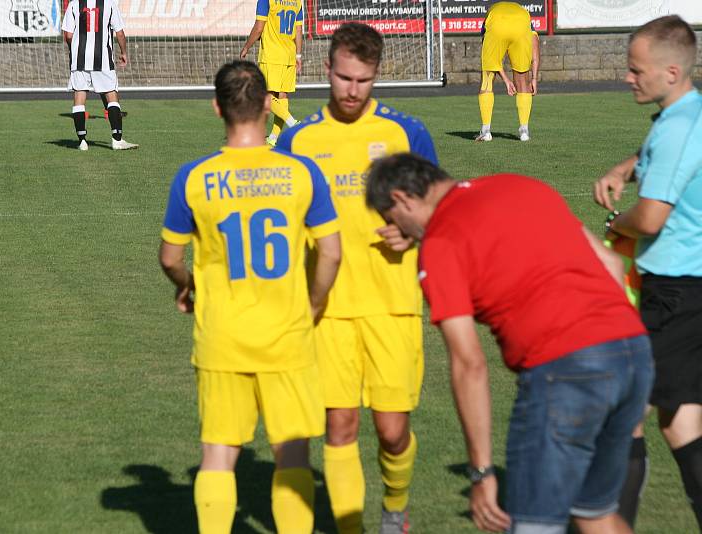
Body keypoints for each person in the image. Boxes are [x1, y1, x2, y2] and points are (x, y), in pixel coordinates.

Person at [367, 153, 652, 534]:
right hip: (632, 352)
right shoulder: (520, 185)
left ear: (403, 199)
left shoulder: (440, 243)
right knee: (594, 514)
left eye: (391, 219)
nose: (397, 230)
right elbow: (612, 265)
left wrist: (482, 471)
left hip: (563, 369)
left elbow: (469, 364)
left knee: (535, 525)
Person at [159, 60, 341, 534]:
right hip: (287, 335)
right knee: (293, 454)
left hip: (222, 336)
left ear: (217, 107)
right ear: (267, 104)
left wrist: (188, 286)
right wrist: (315, 303)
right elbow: (332, 253)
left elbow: (169, 258)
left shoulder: (194, 176)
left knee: (218, 454)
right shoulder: (301, 172)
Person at [277, 22, 438, 534]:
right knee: (339, 425)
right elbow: (279, 221)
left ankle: (395, 506)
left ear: (376, 75)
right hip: (327, 310)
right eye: (344, 78)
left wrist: (413, 235)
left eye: (363, 81)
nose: (352, 91)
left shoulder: (405, 133)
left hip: (392, 305)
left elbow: (439, 210)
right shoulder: (298, 138)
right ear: (327, 69)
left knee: (392, 432)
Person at [594, 15, 702, 530]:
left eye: (636, 70)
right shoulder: (688, 113)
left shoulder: (678, 126)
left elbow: (653, 215)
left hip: (676, 293)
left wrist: (618, 227)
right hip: (688, 289)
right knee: (680, 422)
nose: (627, 77)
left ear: (672, 71)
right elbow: (663, 152)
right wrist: (625, 166)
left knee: (625, 414)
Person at [62, 0, 138, 151]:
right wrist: (123, 53)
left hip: (80, 57)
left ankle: (82, 142)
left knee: (79, 96)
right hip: (101, 58)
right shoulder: (109, 4)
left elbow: (68, 35)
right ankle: (117, 140)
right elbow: (120, 33)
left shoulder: (74, 4)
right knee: (111, 95)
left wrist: (76, 50)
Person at [240, 0, 303, 146]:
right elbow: (298, 30)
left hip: (272, 55)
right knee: (282, 95)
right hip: (289, 54)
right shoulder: (297, 1)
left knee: (265, 95)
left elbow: (259, 27)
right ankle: (274, 137)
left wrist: (246, 47)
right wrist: (298, 55)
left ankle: (292, 123)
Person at [475, 1, 540, 142]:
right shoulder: (526, 18)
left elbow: (491, 61)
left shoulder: (491, 14)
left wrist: (506, 80)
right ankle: (524, 131)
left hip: (497, 21)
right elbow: (535, 50)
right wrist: (534, 78)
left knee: (487, 77)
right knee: (523, 78)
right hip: (521, 22)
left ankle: (486, 131)